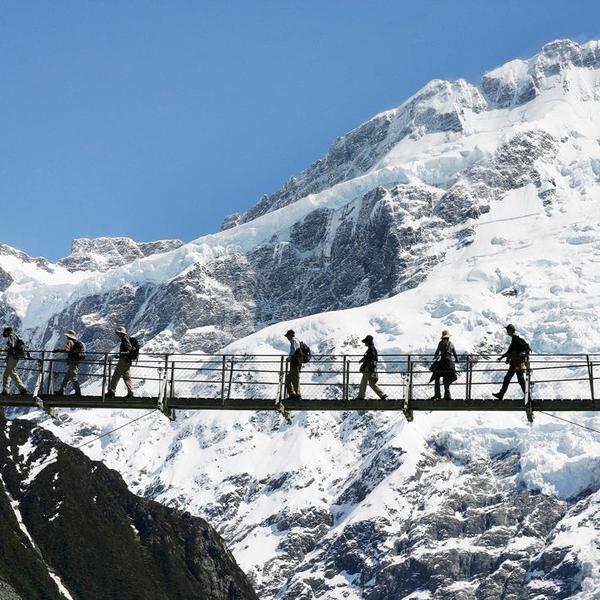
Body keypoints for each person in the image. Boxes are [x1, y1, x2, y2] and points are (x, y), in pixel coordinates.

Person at [493, 324, 531, 399]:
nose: (507, 332)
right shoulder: (515, 339)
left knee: (519, 380)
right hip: (515, 363)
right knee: (509, 378)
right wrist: (502, 357)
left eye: (507, 330)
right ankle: (501, 394)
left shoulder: (515, 339)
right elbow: (510, 351)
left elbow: (512, 351)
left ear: (510, 331)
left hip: (517, 363)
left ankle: (527, 396)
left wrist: (502, 357)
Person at [429, 330, 459, 400]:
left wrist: (435, 357)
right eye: (445, 338)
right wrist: (456, 360)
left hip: (443, 363)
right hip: (448, 364)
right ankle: (446, 396)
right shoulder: (451, 344)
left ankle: (438, 395)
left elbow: (437, 351)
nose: (446, 340)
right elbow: (454, 353)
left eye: (446, 338)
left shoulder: (441, 343)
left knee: (437, 376)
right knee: (445, 379)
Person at [106, 326, 134, 398]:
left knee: (116, 376)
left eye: (119, 333)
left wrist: (120, 355)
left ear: (122, 333)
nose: (118, 334)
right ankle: (131, 393)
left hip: (123, 361)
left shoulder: (125, 339)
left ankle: (111, 392)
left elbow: (129, 349)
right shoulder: (126, 338)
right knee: (127, 377)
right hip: (127, 361)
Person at [357, 335, 387, 400]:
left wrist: (364, 360)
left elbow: (370, 358)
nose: (365, 343)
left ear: (368, 342)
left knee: (363, 382)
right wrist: (363, 359)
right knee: (371, 383)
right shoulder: (372, 348)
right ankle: (382, 395)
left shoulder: (371, 348)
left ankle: (361, 397)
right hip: (371, 367)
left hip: (369, 367)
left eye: (365, 342)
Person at [54, 330, 82, 396]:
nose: (66, 337)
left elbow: (67, 350)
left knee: (73, 377)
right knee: (66, 377)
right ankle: (61, 391)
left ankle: (78, 393)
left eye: (67, 336)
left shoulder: (69, 342)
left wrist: (58, 350)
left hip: (72, 362)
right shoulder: (75, 342)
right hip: (75, 361)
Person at [1, 327, 28, 395]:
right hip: (14, 357)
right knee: (6, 374)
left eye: (5, 332)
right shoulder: (14, 336)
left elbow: (11, 346)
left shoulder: (11, 336)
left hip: (13, 357)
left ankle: (22, 388)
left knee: (12, 371)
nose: (4, 333)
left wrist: (3, 349)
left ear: (8, 332)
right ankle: (5, 389)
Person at [284, 329, 303, 399]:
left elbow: (293, 351)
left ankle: (297, 395)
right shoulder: (297, 341)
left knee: (294, 378)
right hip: (296, 363)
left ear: (290, 335)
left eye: (287, 336)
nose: (287, 338)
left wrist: (289, 358)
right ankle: (292, 394)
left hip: (295, 363)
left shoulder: (293, 341)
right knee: (289, 379)